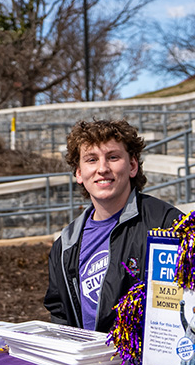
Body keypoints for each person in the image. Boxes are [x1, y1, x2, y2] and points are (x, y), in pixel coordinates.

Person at [44, 119, 182, 333]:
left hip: (138, 363)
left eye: (113, 157)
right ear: (79, 173)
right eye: (91, 160)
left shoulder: (166, 224)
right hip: (86, 362)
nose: (102, 169)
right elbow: (60, 311)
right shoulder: (65, 245)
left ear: (133, 166)